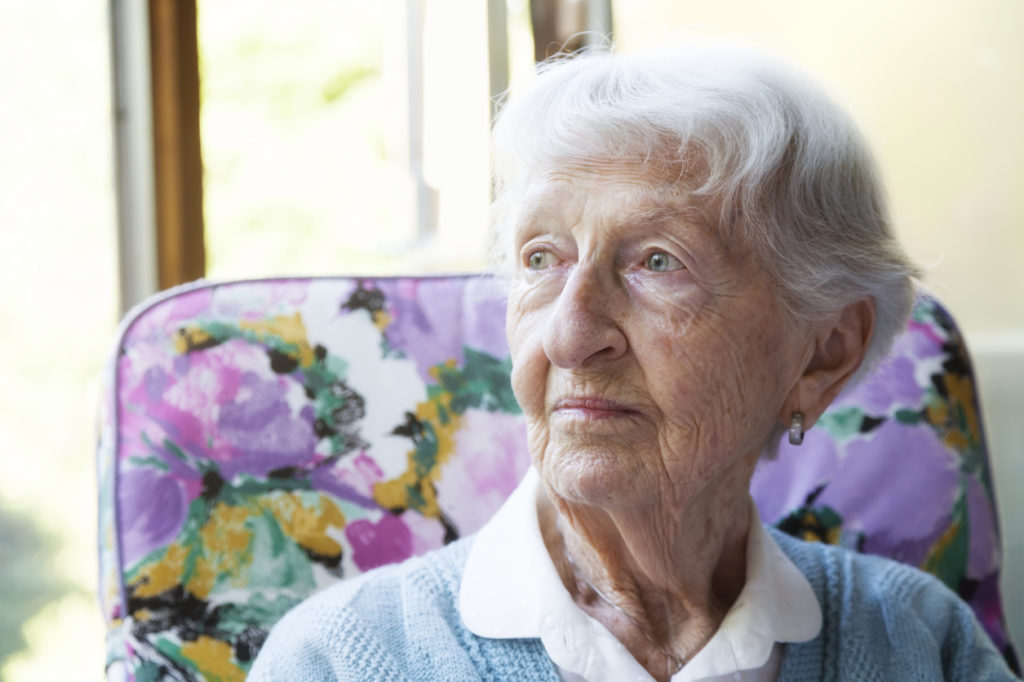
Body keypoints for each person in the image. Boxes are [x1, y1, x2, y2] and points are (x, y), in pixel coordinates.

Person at [249, 44, 1018, 681]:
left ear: (825, 351)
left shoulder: (919, 646)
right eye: (541, 259)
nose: (570, 335)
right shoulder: (342, 661)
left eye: (658, 260)